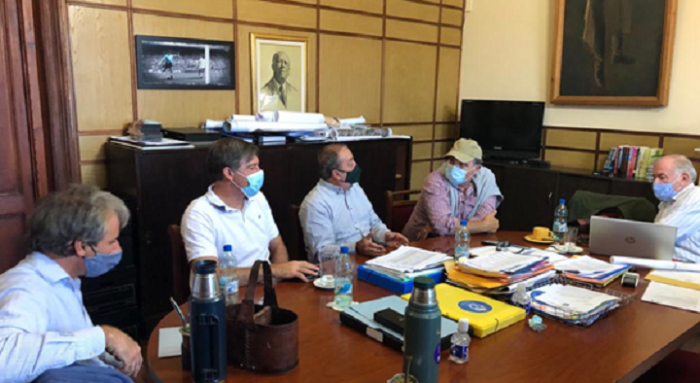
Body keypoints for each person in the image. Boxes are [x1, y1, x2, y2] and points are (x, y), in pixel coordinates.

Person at [0, 184, 142, 383]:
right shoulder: (26, 288)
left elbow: (58, 348)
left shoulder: (64, 281)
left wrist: (103, 354)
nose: (118, 248)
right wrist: (104, 336)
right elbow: (4, 361)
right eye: (112, 242)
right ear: (82, 246)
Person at [181, 137, 318, 283]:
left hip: (266, 293)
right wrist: (274, 271)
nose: (259, 172)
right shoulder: (199, 213)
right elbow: (210, 275)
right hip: (228, 299)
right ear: (229, 173)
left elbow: (277, 245)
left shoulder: (258, 198)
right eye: (252, 167)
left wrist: (276, 282)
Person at [299, 144, 409, 261]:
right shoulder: (316, 203)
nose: (356, 166)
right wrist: (355, 247)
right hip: (339, 269)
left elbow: (374, 223)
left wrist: (386, 236)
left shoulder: (355, 188)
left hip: (371, 260)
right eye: (350, 163)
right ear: (337, 174)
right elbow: (320, 253)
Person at [403, 139, 503, 242]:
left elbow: (482, 216)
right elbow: (441, 226)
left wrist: (447, 227)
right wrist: (484, 226)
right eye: (452, 161)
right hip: (420, 244)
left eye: (462, 164)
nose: (455, 168)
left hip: (462, 243)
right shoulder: (435, 181)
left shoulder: (486, 180)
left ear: (477, 169)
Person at [652, 154, 700, 263]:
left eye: (662, 177)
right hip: (669, 263)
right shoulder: (668, 201)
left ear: (684, 178)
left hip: (689, 269)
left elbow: (660, 235)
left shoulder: (696, 197)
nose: (655, 183)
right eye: (654, 177)